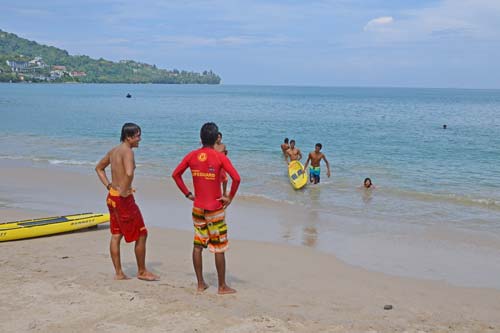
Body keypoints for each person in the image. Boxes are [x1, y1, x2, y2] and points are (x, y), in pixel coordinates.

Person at [172, 122, 241, 294]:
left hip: (198, 207)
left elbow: (176, 174)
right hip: (215, 209)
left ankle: (200, 283)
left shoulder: (192, 156)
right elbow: (236, 178)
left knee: (198, 245)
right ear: (217, 138)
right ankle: (222, 286)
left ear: (201, 138)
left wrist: (188, 194)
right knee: (218, 247)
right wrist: (229, 198)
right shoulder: (219, 157)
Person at [95, 123, 159, 281]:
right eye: (137, 135)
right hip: (123, 200)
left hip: (111, 197)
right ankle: (142, 271)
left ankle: (118, 273)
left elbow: (99, 168)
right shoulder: (127, 152)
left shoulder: (114, 151)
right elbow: (129, 173)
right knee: (142, 233)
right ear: (128, 137)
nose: (140, 139)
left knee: (116, 234)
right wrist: (124, 190)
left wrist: (110, 186)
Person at [214, 132, 228, 196]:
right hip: (215, 164)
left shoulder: (223, 145)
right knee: (216, 180)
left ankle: (224, 192)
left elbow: (224, 154)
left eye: (219, 137)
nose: (218, 139)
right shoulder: (213, 145)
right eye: (217, 137)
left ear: (221, 138)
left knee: (225, 179)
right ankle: (217, 193)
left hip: (222, 164)